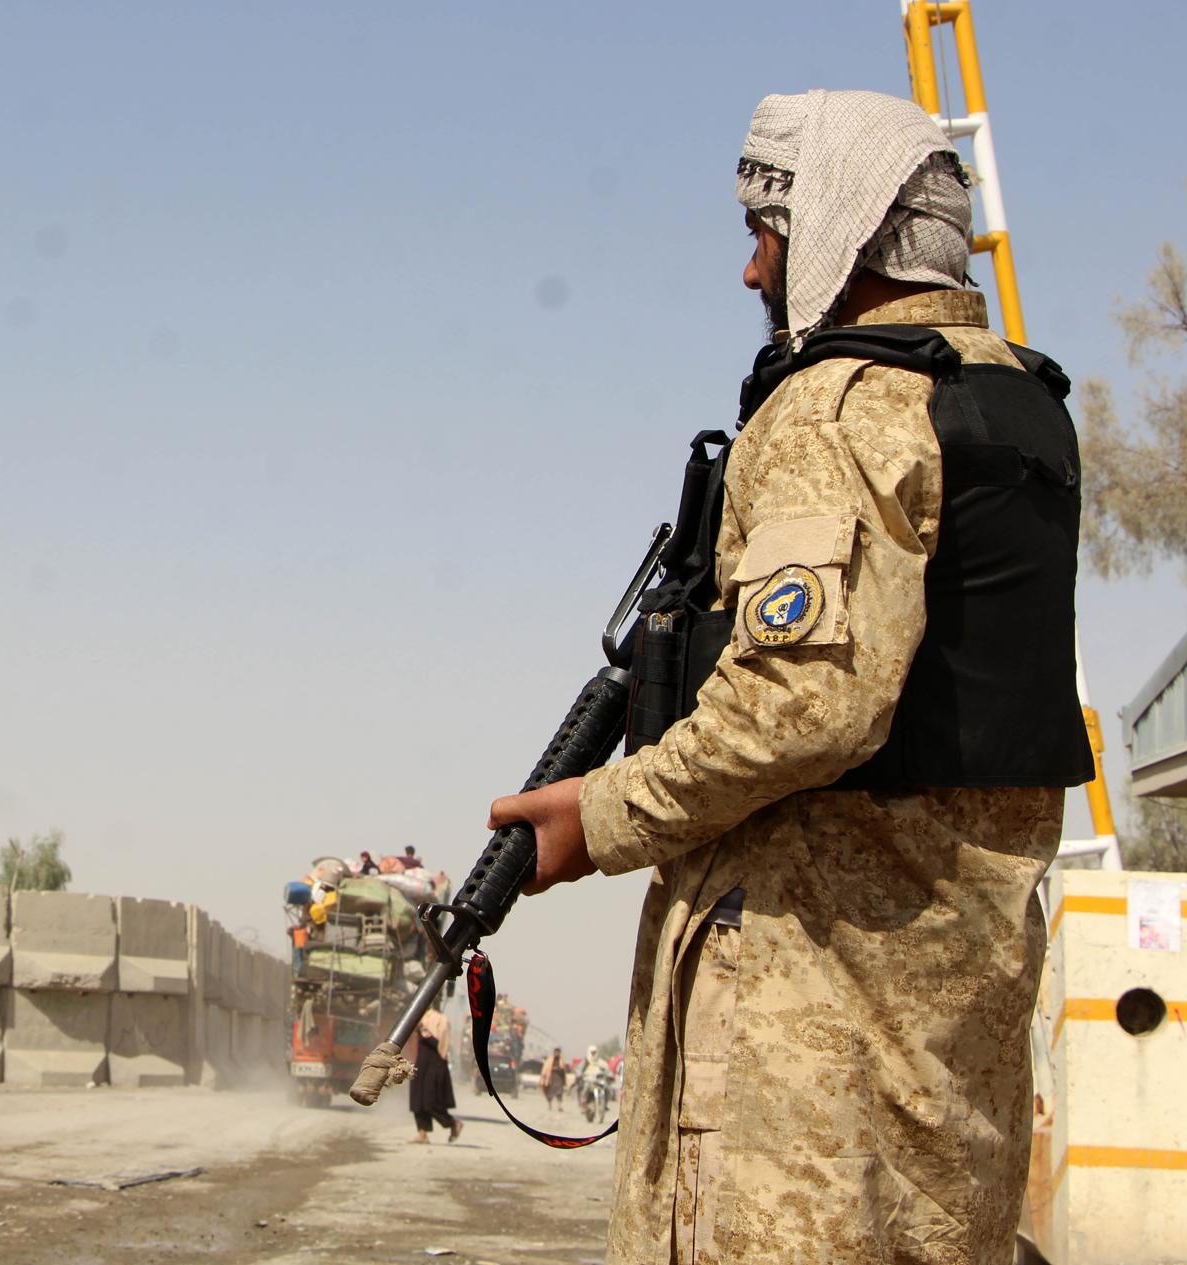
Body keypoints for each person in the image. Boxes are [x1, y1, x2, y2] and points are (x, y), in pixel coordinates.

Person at [486, 89, 1089, 1264]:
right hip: (943, 1051)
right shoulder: (1021, 407)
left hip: (803, 1056)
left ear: (840, 231)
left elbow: (799, 705)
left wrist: (598, 814)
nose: (753, 267)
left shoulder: (841, 400)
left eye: (770, 230)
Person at [408, 1007, 461, 1144]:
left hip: (435, 1065)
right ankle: (422, 1134)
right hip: (421, 1064)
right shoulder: (420, 1017)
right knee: (417, 1100)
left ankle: (453, 1123)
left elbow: (440, 1045)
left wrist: (425, 1030)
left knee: (430, 1102)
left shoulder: (441, 1020)